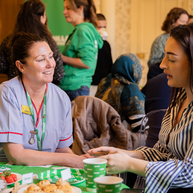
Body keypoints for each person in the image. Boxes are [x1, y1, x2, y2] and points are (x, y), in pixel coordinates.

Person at [88, 24, 193, 192]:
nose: (162, 64)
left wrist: (129, 163)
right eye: (164, 56)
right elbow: (162, 153)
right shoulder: (179, 98)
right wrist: (122, 154)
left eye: (171, 59)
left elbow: (190, 172)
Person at [0, 32, 90, 168]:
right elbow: (16, 155)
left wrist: (81, 161)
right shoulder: (8, 93)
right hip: (14, 174)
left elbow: (61, 149)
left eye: (51, 56)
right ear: (21, 66)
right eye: (41, 59)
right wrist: (69, 160)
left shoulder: (61, 97)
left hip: (49, 175)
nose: (51, 64)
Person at [0, 0, 64, 85]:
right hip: (40, 92)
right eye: (41, 59)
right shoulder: (47, 42)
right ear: (41, 18)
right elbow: (59, 75)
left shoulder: (9, 40)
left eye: (50, 57)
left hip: (16, 88)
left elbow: (1, 66)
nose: (49, 64)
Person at [57, 0, 103, 101]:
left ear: (80, 9)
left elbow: (87, 62)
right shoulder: (83, 30)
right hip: (74, 87)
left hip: (74, 87)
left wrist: (62, 58)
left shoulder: (83, 30)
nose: (64, 12)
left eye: (68, 8)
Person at [95, 53, 145, 132]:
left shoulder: (104, 82)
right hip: (118, 136)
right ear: (134, 70)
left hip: (99, 131)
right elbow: (140, 127)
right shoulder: (131, 89)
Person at [90, 13, 113, 96]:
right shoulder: (89, 43)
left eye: (104, 27)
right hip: (91, 85)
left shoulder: (106, 44)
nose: (102, 30)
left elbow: (109, 65)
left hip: (105, 85)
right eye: (99, 27)